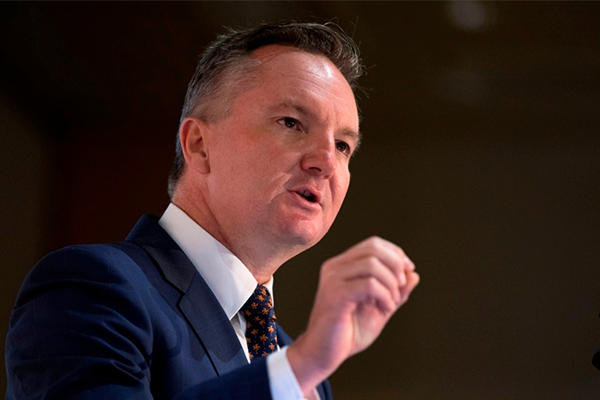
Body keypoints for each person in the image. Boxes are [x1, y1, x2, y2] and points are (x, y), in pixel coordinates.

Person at [5, 21, 419, 400]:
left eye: (343, 146)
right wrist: (301, 366)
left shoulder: (297, 364)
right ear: (199, 145)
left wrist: (301, 366)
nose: (327, 161)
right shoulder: (91, 288)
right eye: (292, 122)